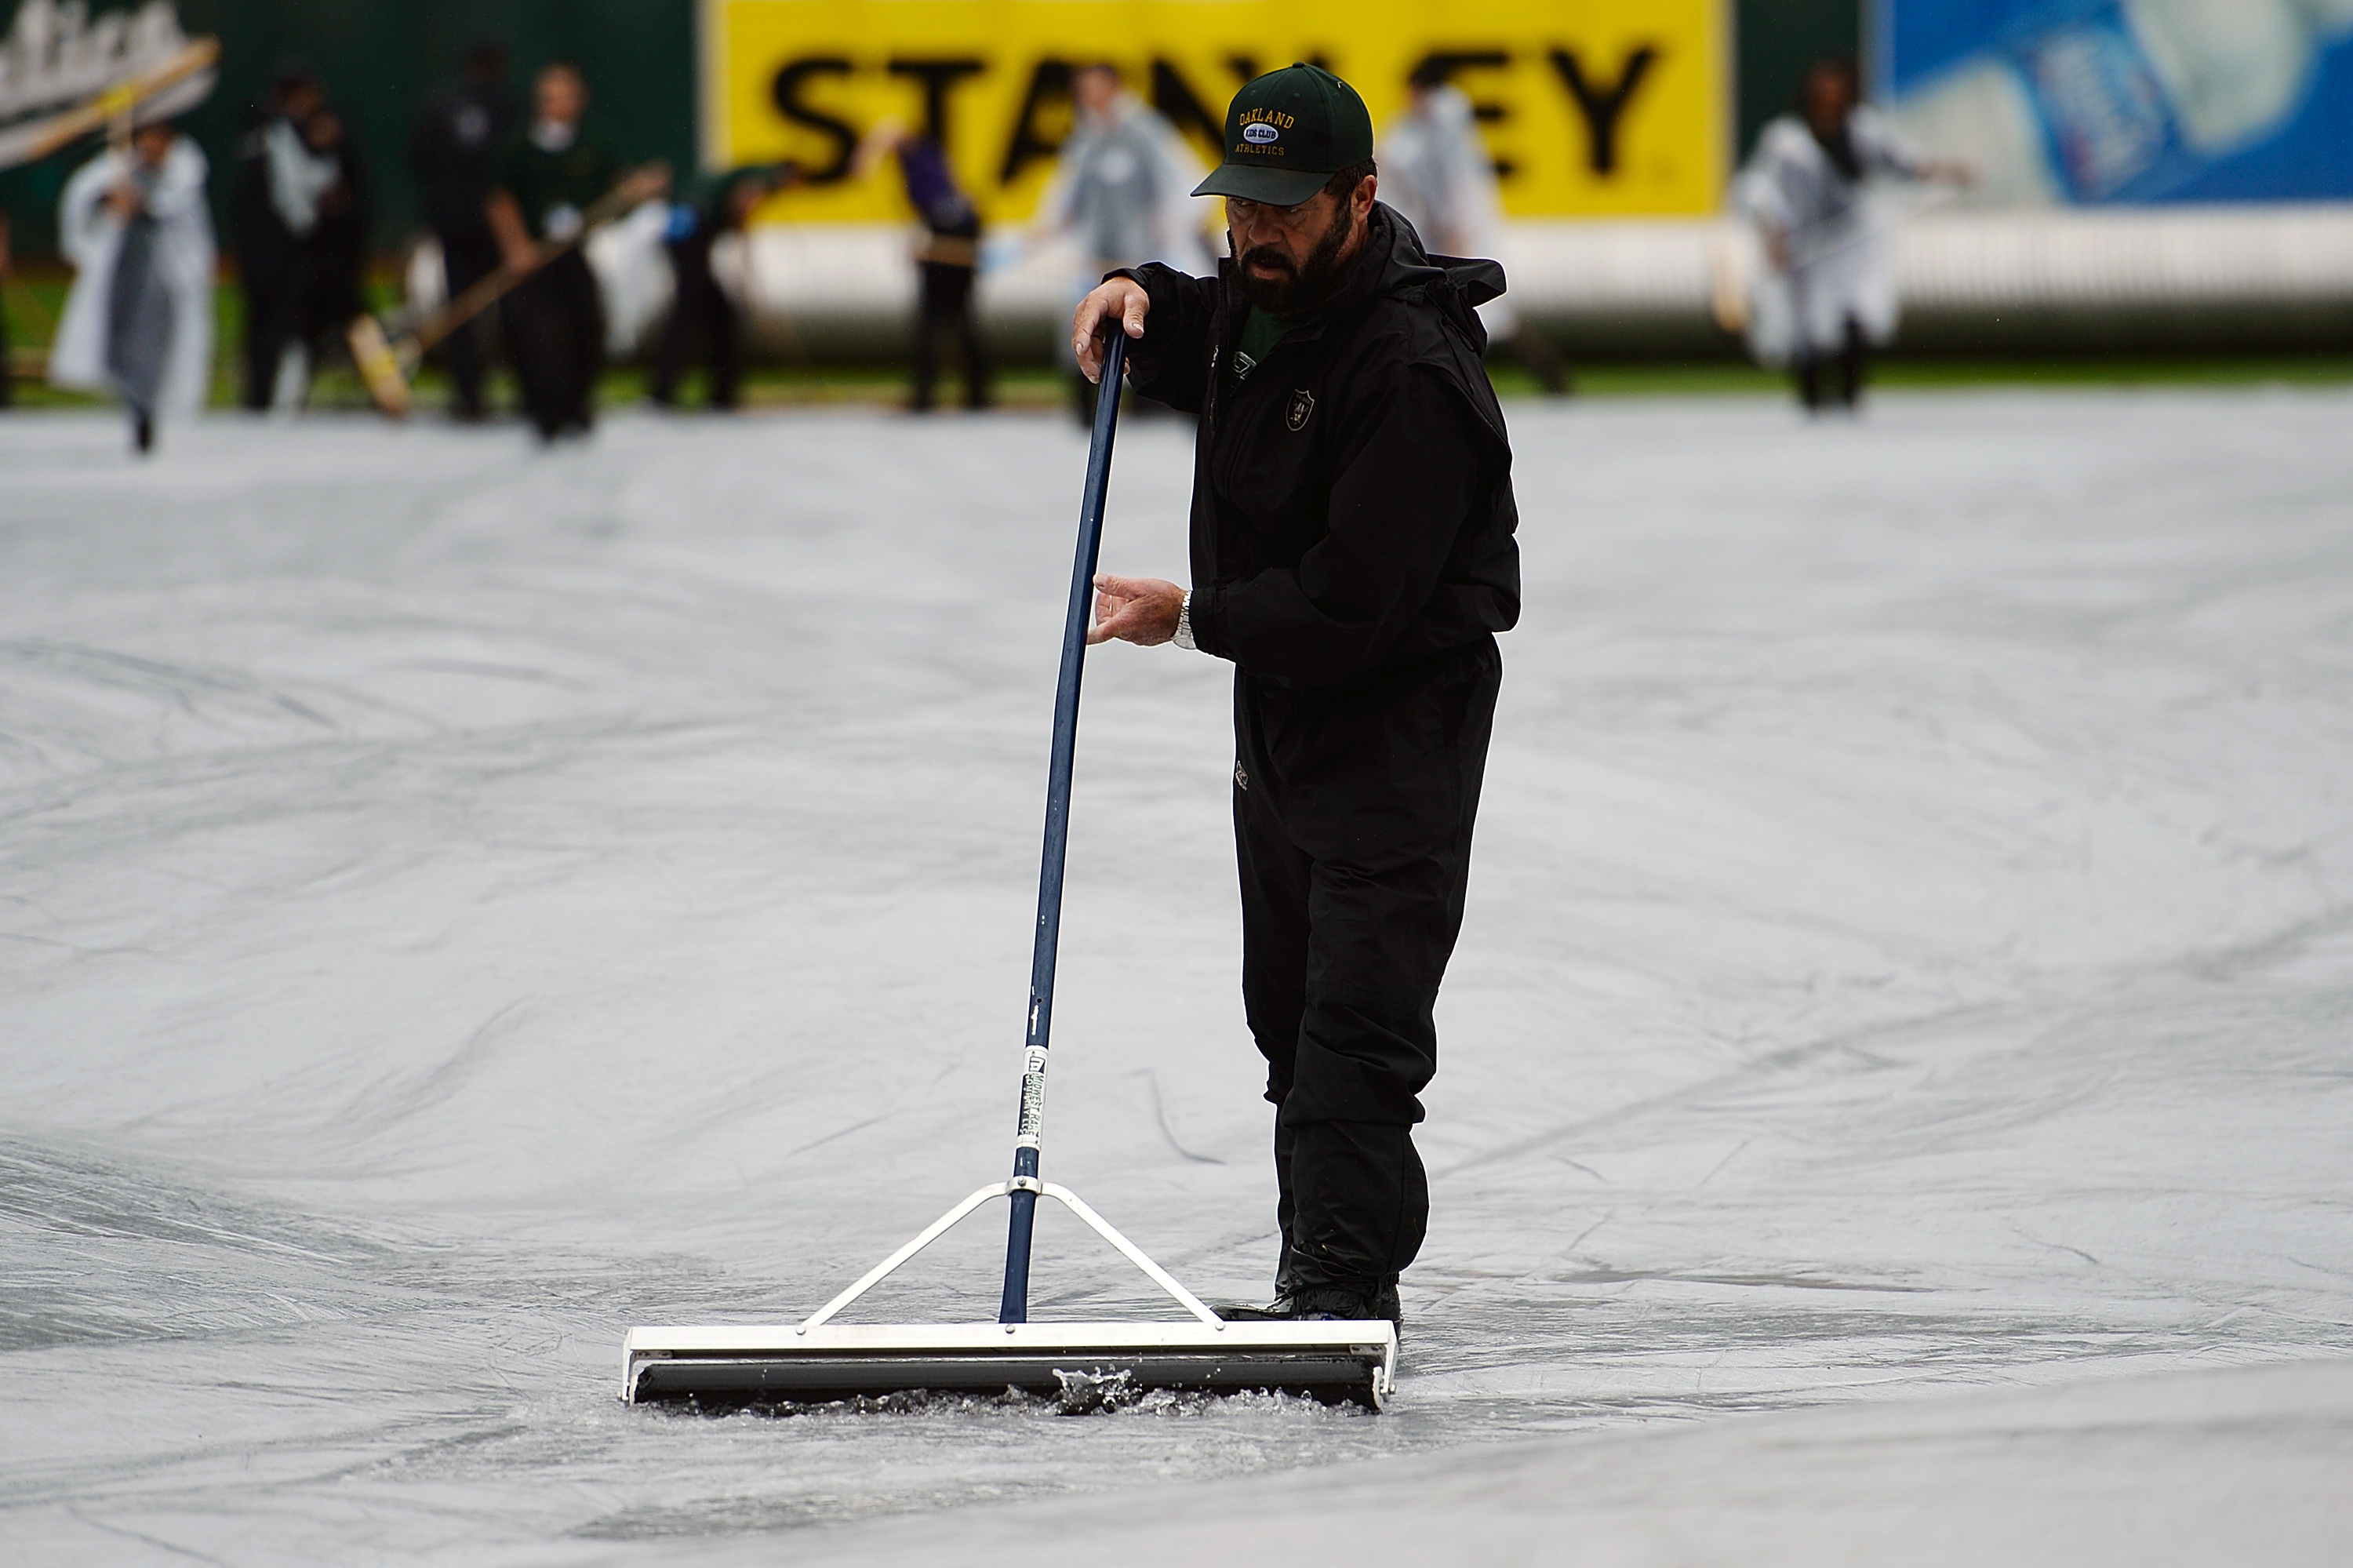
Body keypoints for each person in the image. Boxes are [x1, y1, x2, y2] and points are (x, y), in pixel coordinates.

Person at [1071, 64, 1518, 1328]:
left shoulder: (1412, 372)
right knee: (1290, 1015)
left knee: (1355, 1033)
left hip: (1395, 726)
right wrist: (1134, 293)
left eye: (1284, 208)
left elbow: (1352, 606)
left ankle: (1340, 1289)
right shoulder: (1266, 300)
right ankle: (1338, 1247)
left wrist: (1192, 616)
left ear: (1360, 198)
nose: (1254, 231)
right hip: (1279, 721)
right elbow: (1206, 323)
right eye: (1240, 205)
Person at [1734, 54, 1972, 413]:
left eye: (1836, 90)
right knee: (1806, 322)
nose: (1829, 99)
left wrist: (1948, 172)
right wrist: (1773, 235)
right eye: (1821, 91)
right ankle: (1811, 394)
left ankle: (1851, 390)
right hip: (1804, 244)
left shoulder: (1866, 130)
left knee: (1855, 313)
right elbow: (1759, 190)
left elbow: (1905, 164)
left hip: (1852, 240)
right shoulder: (1784, 141)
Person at [1035, 62, 1210, 422]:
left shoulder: (1146, 132)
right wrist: (1043, 231)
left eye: (1094, 87)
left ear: (1113, 87)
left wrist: (1169, 231)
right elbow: (1067, 197)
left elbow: (1181, 184)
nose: (1088, 97)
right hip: (1095, 258)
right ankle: (1086, 405)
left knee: (1143, 323)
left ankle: (1149, 404)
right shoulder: (1084, 138)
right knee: (1082, 316)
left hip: (1139, 258)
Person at [1380, 60, 1567, 396]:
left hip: (1463, 234)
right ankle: (1544, 384)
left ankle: (1493, 390)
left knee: (1481, 317)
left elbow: (1449, 183)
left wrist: (1454, 230)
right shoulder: (1428, 124)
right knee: (1485, 318)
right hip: (1454, 232)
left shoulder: (1443, 119)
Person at [486, 63, 642, 441]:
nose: (559, 104)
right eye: (551, 97)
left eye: (567, 96)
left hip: (573, 253)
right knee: (540, 339)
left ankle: (578, 408)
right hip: (534, 259)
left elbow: (616, 192)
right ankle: (546, 414)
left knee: (588, 328)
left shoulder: (595, 142)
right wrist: (517, 247)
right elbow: (499, 199)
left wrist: (633, 193)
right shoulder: (520, 146)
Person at [50, 118, 215, 451]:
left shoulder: (185, 174)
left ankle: (145, 408)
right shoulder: (115, 169)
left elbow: (181, 219)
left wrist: (140, 204)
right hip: (124, 274)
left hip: (164, 280)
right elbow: (82, 204)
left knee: (152, 347)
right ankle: (133, 403)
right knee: (119, 341)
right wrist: (107, 200)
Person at [231, 60, 368, 412]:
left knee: (333, 321)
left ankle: (375, 388)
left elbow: (348, 192)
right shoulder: (267, 137)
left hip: (319, 255)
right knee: (269, 329)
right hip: (272, 256)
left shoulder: (326, 132)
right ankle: (260, 399)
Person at [409, 40, 518, 421]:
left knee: (461, 309)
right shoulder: (507, 109)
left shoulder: (438, 106)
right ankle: (521, 389)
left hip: (453, 224)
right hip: (495, 227)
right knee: (509, 309)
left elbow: (419, 162)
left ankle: (468, 395)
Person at [860, 125, 989, 413]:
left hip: (952, 238)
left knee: (934, 319)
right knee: (956, 318)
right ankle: (975, 393)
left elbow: (943, 209)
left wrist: (866, 157)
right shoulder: (926, 164)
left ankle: (928, 395)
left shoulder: (921, 160)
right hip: (954, 234)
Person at [650, 162, 794, 411]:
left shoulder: (743, 174)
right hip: (691, 232)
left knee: (718, 313)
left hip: (685, 232)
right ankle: (666, 392)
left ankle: (720, 392)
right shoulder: (767, 177)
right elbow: (744, 200)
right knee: (690, 312)